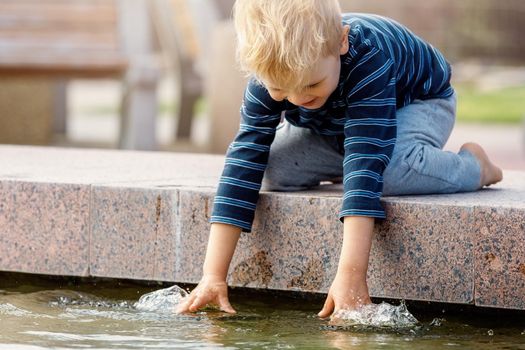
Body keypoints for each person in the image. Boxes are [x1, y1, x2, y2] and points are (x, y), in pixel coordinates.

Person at [176, 0, 503, 317]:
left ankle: (474, 167)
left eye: (311, 83)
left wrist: (350, 275)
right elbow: (243, 162)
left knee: (385, 174)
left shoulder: (368, 58)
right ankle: (342, 158)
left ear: (341, 42)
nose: (298, 99)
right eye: (281, 91)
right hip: (335, 122)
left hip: (416, 103)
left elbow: (366, 161)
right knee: (270, 169)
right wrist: (212, 276)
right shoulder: (271, 69)